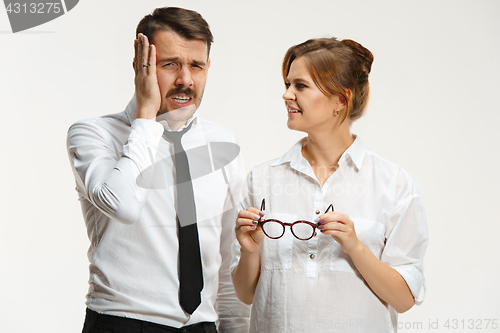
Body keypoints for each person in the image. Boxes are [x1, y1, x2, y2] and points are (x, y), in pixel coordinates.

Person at [67, 7, 250, 333]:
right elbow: (121, 204)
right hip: (122, 323)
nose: (186, 80)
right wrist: (146, 117)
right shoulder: (94, 134)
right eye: (170, 65)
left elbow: (228, 257)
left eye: (196, 65)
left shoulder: (222, 143)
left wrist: (235, 329)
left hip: (202, 326)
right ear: (141, 67)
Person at [231, 37, 428, 333]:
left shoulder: (393, 184)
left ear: (340, 100)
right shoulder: (262, 179)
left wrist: (355, 247)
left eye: (300, 86)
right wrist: (249, 250)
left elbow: (403, 300)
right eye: (287, 84)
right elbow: (246, 294)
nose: (286, 95)